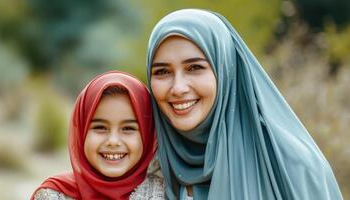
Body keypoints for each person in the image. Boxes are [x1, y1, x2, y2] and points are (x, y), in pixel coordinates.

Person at [146, 9, 342, 200]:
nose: (178, 88)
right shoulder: (147, 174)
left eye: (195, 67)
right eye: (162, 72)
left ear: (225, 70)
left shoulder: (293, 167)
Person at [31, 71, 164, 200]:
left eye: (128, 128)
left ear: (148, 134)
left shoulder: (167, 193)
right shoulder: (52, 195)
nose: (113, 141)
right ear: (82, 132)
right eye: (100, 127)